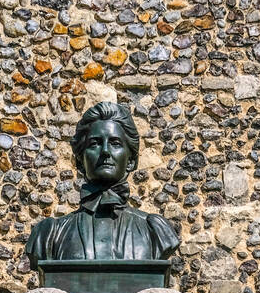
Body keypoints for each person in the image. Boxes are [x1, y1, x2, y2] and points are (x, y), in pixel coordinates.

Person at [25, 102, 179, 267]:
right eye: (95, 143)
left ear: (131, 161)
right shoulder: (50, 234)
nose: (105, 151)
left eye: (115, 143)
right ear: (80, 161)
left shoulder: (156, 232)